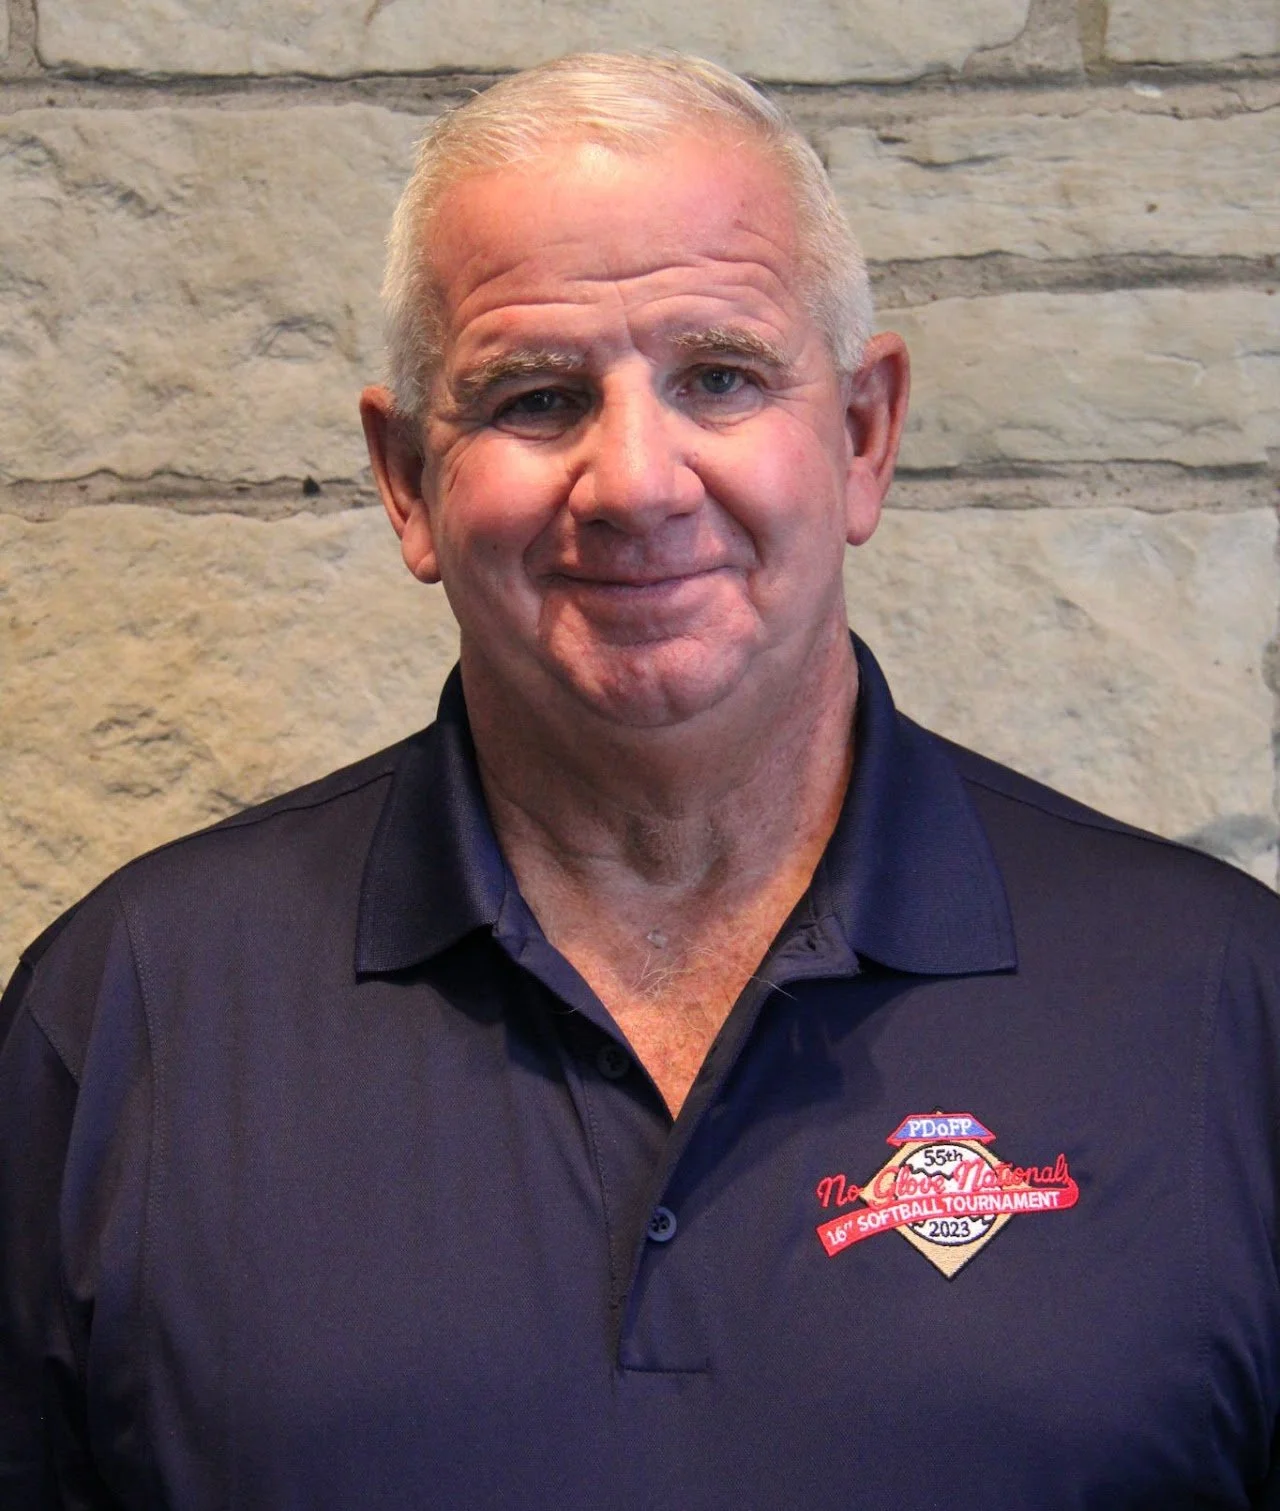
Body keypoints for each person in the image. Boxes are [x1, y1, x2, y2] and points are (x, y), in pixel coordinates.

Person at [2, 50, 1278, 1511]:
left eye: (719, 377)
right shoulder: (130, 1019)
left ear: (862, 435)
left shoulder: (1222, 1011)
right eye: (538, 400)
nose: (636, 481)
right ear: (407, 477)